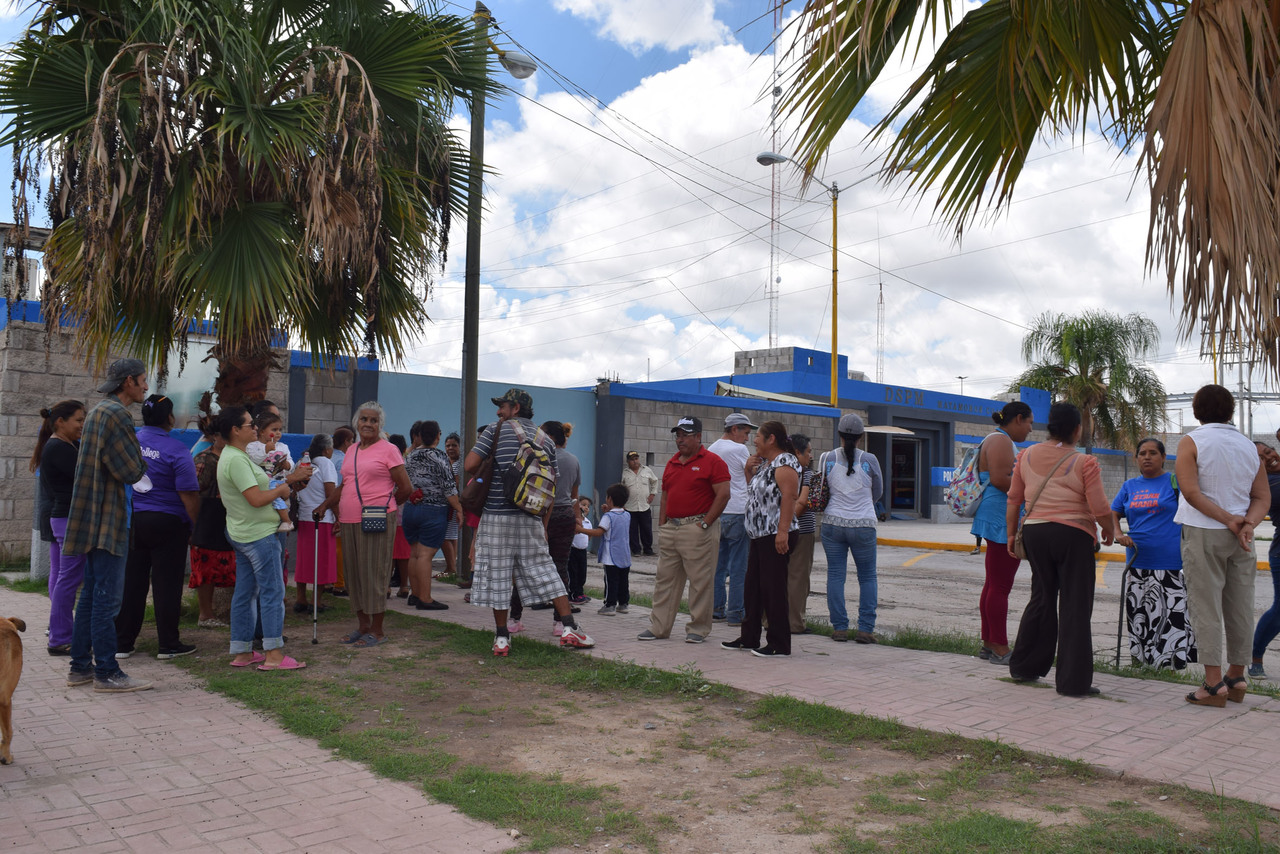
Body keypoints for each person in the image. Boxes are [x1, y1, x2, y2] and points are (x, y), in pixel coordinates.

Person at [465, 388, 595, 655]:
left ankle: (502, 638)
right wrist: (543, 525)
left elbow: (469, 465)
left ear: (515, 407)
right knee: (547, 571)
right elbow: (552, 485)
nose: (498, 411)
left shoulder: (494, 430)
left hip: (496, 516)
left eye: (502, 406)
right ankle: (569, 628)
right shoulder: (545, 439)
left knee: (499, 575)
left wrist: (490, 457)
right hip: (531, 516)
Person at [1005, 403, 1115, 697]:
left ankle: (1024, 666)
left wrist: (1011, 534)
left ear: (1049, 427)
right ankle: (1072, 682)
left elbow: (1014, 499)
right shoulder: (1084, 462)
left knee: (1041, 596)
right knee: (1075, 606)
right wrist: (1109, 529)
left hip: (1035, 533)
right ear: (1077, 430)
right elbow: (1100, 506)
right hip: (1073, 535)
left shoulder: (1025, 455)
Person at [1175, 385, 1268, 707]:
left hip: (1204, 531)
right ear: (1230, 411)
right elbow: (1261, 497)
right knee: (1241, 605)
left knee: (1206, 606)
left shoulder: (1192, 441)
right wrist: (1246, 524)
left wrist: (1228, 519)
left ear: (1197, 410)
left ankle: (1213, 685)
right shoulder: (1247, 445)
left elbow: (1190, 492)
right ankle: (1237, 675)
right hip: (1242, 537)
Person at [63, 358, 152, 693]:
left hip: (92, 516)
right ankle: (107, 672)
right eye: (143, 380)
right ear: (128, 382)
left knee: (90, 596)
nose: (146, 386)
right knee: (107, 600)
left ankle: (80, 668)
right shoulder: (117, 414)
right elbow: (131, 469)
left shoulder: (99, 411)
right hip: (109, 518)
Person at [216, 406, 310, 670]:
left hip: (244, 532)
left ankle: (243, 651)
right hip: (258, 535)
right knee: (272, 592)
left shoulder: (238, 456)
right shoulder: (235, 459)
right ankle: (273, 653)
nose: (255, 428)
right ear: (235, 430)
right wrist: (283, 487)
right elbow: (256, 498)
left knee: (246, 592)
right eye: (249, 425)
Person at [115, 394, 200, 661]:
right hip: (168, 523)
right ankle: (168, 644)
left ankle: (122, 643)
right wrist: (194, 526)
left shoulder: (129, 443)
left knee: (131, 583)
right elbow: (188, 493)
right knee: (167, 584)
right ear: (170, 418)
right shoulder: (177, 449)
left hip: (133, 521)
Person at [637, 416, 731, 644]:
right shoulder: (672, 462)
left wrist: (706, 524)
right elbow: (666, 494)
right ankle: (659, 627)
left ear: (698, 436)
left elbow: (724, 494)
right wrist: (662, 525)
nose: (680, 440)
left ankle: (698, 628)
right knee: (664, 580)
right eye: (677, 435)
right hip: (672, 528)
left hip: (697, 528)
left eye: (685, 435)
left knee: (700, 582)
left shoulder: (713, 461)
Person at [330, 402, 412, 647]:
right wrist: (325, 506)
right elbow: (344, 484)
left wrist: (386, 505)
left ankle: (377, 631)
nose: (368, 424)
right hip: (349, 519)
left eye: (373, 421)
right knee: (354, 575)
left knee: (374, 574)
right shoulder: (352, 450)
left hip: (377, 517)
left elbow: (406, 488)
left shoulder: (389, 450)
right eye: (364, 419)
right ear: (357, 422)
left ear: (380, 425)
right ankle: (362, 626)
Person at [1111, 438, 1196, 670]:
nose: (1147, 457)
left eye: (1153, 453)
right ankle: (1140, 662)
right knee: (1139, 613)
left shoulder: (1174, 482)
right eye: (1142, 453)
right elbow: (1114, 512)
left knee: (1170, 616)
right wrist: (1118, 533)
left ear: (1163, 457)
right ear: (1136, 458)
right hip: (1137, 560)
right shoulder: (1129, 486)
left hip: (1171, 561)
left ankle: (1168, 667)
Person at [724, 421, 801, 657]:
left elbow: (789, 497)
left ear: (771, 439)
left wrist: (782, 532)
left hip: (775, 534)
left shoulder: (785, 462)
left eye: (758, 436)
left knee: (773, 589)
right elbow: (757, 497)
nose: (754, 440)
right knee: (753, 588)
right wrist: (749, 472)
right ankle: (749, 638)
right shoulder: (766, 465)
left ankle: (779, 643)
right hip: (759, 535)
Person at [972, 401, 1034, 664]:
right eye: (1029, 423)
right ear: (1018, 419)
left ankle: (989, 643)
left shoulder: (999, 439)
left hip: (997, 515)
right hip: (1000, 518)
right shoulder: (1000, 440)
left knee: (993, 584)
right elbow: (1000, 479)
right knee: (1000, 586)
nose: (1030, 429)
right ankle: (999, 647)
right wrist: (1032, 489)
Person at [821, 413, 883, 644]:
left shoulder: (826, 458)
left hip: (832, 524)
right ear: (861, 437)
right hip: (864, 525)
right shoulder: (870, 460)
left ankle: (839, 628)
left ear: (839, 434)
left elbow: (823, 489)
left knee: (835, 576)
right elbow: (878, 492)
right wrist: (864, 505)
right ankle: (865, 630)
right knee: (867, 577)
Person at [32, 400, 86, 656]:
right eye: (78, 420)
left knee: (65, 576)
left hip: (64, 518)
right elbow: (86, 476)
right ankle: (61, 637)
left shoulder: (65, 445)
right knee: (69, 578)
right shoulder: (58, 448)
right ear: (60, 421)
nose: (81, 425)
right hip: (67, 519)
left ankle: (60, 633)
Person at [400, 419, 458, 610]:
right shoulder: (439, 457)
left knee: (415, 553)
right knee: (426, 555)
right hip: (433, 510)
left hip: (410, 508)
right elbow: (449, 488)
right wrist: (460, 508)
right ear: (437, 436)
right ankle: (425, 598)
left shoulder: (410, 456)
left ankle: (414, 595)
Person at [708, 413, 755, 626]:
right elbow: (749, 480)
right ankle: (736, 613)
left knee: (718, 566)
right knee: (738, 568)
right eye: (745, 433)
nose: (747, 438)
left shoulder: (711, 449)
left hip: (718, 512)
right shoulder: (739, 450)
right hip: (738, 511)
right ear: (734, 429)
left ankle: (717, 609)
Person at [188, 416, 236, 628]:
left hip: (230, 517)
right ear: (215, 436)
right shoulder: (204, 459)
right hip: (208, 517)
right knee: (206, 569)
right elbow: (194, 492)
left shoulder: (236, 457)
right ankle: (205, 615)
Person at [294, 432, 339, 614]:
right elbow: (331, 494)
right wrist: (339, 517)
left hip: (305, 516)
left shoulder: (300, 463)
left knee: (304, 560)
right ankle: (316, 601)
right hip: (323, 518)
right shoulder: (326, 463)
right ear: (327, 449)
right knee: (321, 561)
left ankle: (300, 598)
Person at [1251, 442, 1280, 678]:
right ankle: (1256, 656)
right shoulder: (1267, 485)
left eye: (1269, 452)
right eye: (1260, 458)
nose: (1268, 458)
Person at [580, 484, 631, 615]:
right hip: (624, 554)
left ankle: (610, 605)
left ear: (609, 499)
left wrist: (579, 529)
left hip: (611, 555)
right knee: (623, 580)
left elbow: (598, 532)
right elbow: (620, 513)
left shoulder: (608, 517)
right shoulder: (627, 515)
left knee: (611, 581)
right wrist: (609, 509)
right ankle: (623, 604)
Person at [544, 421, 580, 599]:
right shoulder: (573, 459)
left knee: (537, 561)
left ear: (550, 437)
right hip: (566, 513)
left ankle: (538, 599)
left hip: (543, 515)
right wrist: (578, 517)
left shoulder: (542, 457)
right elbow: (575, 493)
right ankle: (562, 608)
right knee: (561, 563)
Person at [787, 433, 816, 635]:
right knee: (798, 578)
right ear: (797, 452)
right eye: (808, 452)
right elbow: (804, 502)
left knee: (779, 576)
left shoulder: (775, 469)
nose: (811, 456)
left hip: (777, 530)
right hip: (801, 531)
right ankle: (795, 623)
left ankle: (770, 619)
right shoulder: (806, 474)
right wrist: (789, 523)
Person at [246, 410, 294, 533]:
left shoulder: (283, 447)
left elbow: (291, 464)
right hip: (261, 482)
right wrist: (265, 450)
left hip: (278, 481)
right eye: (274, 430)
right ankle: (286, 521)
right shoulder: (253, 446)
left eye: (280, 430)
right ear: (261, 431)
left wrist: (286, 465)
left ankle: (286, 521)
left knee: (278, 498)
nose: (278, 433)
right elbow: (254, 460)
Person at [330, 425, 355, 597]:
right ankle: (339, 583)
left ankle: (331, 581)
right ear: (346, 442)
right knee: (340, 547)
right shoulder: (342, 460)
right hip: (338, 507)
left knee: (332, 547)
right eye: (352, 441)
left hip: (329, 506)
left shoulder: (330, 457)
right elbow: (339, 488)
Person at [621, 450, 659, 556]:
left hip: (644, 505)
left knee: (646, 529)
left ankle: (648, 549)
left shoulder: (647, 470)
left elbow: (655, 481)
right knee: (632, 530)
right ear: (628, 462)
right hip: (629, 506)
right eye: (632, 460)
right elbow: (621, 488)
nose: (635, 461)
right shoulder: (625, 473)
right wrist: (622, 504)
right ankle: (636, 550)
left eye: (636, 459)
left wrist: (652, 494)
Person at [442, 432, 463, 580]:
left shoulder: (457, 465)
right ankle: (451, 567)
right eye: (448, 445)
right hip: (453, 504)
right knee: (452, 536)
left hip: (452, 503)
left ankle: (451, 568)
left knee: (444, 536)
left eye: (454, 445)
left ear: (460, 446)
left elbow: (455, 485)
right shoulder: (449, 463)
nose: (450, 448)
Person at [568, 497, 593, 604]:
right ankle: (573, 594)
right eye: (583, 504)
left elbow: (589, 535)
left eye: (588, 506)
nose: (586, 507)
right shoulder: (573, 521)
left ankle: (580, 592)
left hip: (583, 551)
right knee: (573, 572)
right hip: (573, 550)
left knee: (582, 573)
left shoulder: (588, 522)